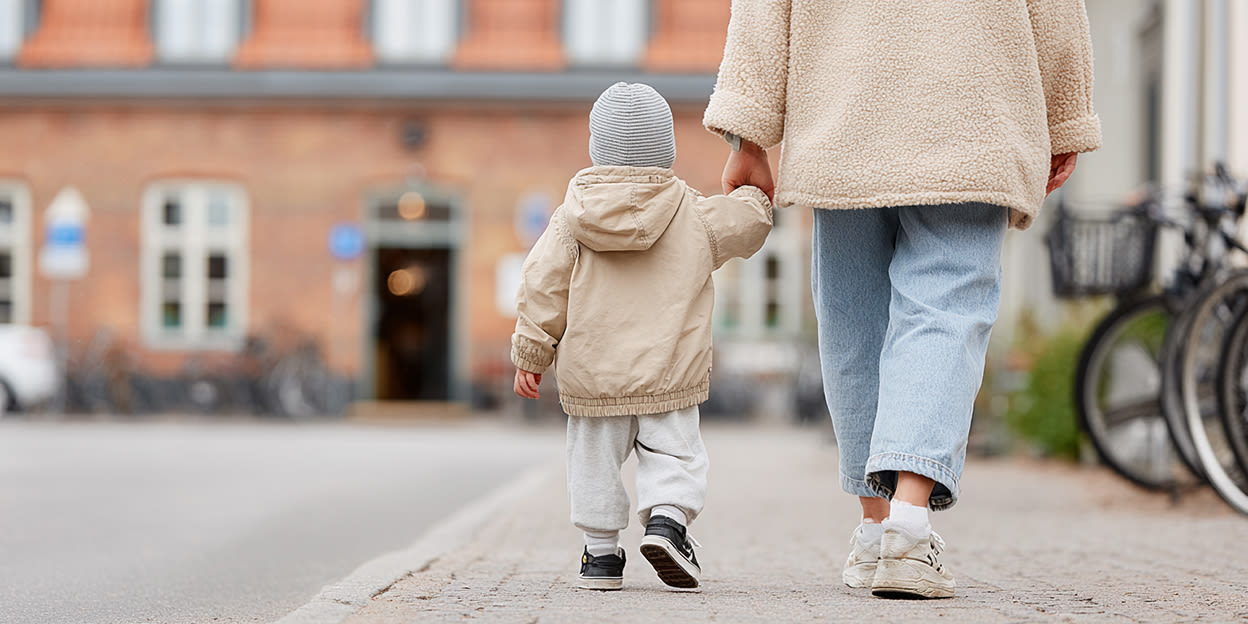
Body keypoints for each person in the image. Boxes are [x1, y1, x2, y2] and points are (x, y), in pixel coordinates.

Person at [704, 0, 1101, 599]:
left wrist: (749, 134)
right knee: (947, 301)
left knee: (851, 314)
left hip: (842, 109)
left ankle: (875, 528)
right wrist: (1064, 116)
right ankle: (908, 529)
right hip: (971, 103)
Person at [512, 82, 773, 591]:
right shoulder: (694, 215)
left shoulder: (569, 221)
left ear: (596, 148)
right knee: (676, 454)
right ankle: (667, 523)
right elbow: (750, 222)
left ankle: (600, 557)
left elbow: (541, 284)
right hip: (669, 373)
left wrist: (531, 352)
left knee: (593, 463)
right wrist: (753, 189)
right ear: (667, 149)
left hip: (593, 379)